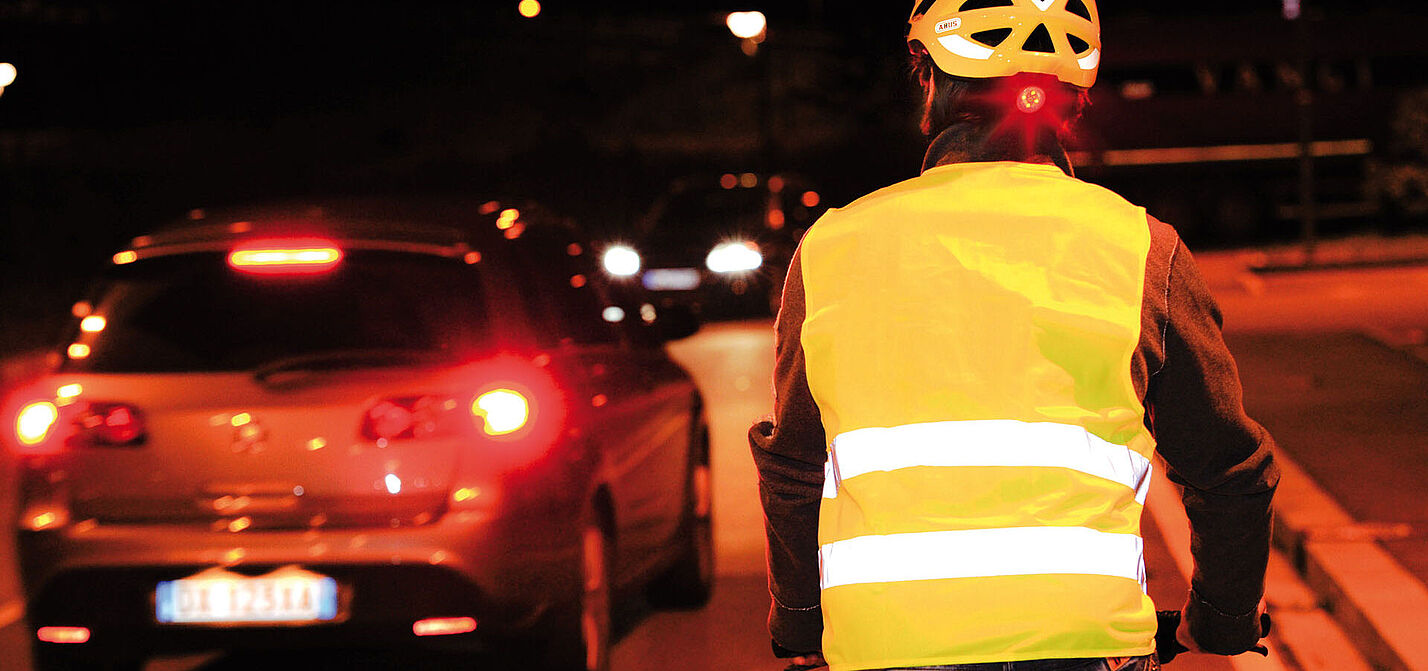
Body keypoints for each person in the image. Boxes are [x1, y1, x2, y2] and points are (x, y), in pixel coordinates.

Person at [749, 1, 1279, 670]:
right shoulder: (1144, 250)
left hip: (890, 646)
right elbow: (1231, 470)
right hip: (1084, 645)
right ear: (1076, 102)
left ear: (927, 78)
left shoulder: (830, 249)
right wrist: (1223, 621)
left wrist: (800, 625)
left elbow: (796, 466)